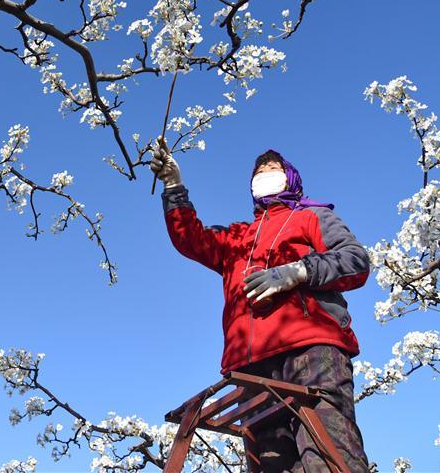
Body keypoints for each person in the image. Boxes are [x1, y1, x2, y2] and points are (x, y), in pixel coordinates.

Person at [150, 138, 370, 472]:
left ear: (290, 178)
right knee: (270, 464)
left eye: (273, 170)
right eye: (259, 172)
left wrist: (298, 271)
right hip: (251, 366)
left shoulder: (312, 217)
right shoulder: (237, 237)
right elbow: (191, 239)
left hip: (310, 350)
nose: (265, 175)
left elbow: (355, 261)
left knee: (327, 454)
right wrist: (173, 185)